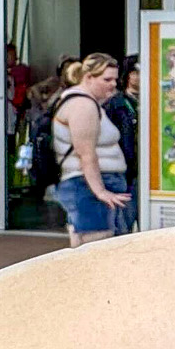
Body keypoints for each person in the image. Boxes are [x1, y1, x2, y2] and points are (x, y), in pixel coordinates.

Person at [52, 53, 130, 247]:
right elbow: (86, 154)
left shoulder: (88, 102)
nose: (113, 84)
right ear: (88, 78)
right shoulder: (82, 105)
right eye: (107, 80)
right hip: (86, 185)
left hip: (89, 185)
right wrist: (100, 191)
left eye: (115, 79)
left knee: (91, 245)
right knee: (97, 246)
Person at [104, 54, 141, 234]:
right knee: (123, 225)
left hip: (150, 174)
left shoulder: (156, 102)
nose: (140, 77)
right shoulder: (116, 104)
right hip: (127, 173)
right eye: (136, 72)